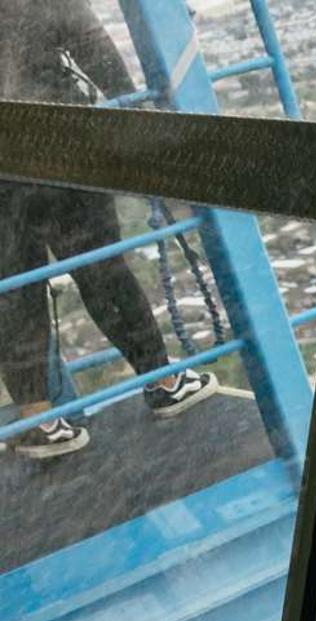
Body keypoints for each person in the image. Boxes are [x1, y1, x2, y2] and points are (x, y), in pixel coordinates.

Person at [1, 0, 218, 459]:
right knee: (103, 270)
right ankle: (163, 381)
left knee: (15, 290)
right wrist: (133, 109)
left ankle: (38, 419)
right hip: (60, 141)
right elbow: (89, 40)